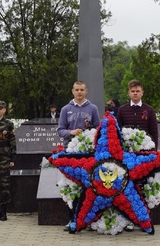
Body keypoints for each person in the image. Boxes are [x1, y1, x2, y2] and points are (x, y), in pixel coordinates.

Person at [57, 81, 101, 230]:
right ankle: (72, 219)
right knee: (72, 186)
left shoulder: (93, 108)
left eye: (82, 90)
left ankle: (87, 220)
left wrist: (89, 135)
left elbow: (98, 129)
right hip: (70, 152)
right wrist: (71, 132)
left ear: (86, 91)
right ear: (72, 91)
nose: (79, 92)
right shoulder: (65, 109)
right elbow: (60, 130)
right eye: (77, 90)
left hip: (88, 153)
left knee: (88, 186)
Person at [117, 80, 159, 148]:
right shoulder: (122, 110)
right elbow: (118, 130)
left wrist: (154, 149)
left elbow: (154, 132)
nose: (135, 93)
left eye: (138, 91)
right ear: (129, 93)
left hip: (146, 147)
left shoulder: (149, 110)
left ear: (142, 92)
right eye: (133, 91)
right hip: (127, 148)